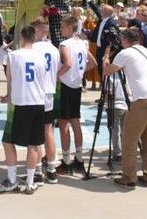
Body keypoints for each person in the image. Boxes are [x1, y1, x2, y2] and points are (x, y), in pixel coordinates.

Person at [102, 27, 147, 189]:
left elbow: (107, 71)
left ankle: (129, 177)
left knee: (128, 140)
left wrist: (106, 56)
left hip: (143, 101)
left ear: (125, 41)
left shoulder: (125, 53)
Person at [0, 25, 47, 194]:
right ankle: (30, 182)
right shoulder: (41, 56)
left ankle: (12, 179)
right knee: (33, 144)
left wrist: (10, 94)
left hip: (21, 103)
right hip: (38, 102)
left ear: (22, 37)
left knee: (8, 141)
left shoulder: (14, 55)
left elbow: (10, 78)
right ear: (34, 37)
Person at [56, 15, 96, 175]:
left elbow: (68, 63)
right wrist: (79, 72)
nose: (60, 29)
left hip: (66, 85)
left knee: (64, 123)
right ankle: (79, 160)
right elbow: (93, 63)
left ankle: (66, 161)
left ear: (68, 27)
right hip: (77, 85)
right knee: (75, 121)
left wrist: (56, 76)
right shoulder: (82, 43)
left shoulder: (65, 44)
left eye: (62, 26)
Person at [29, 16, 60, 184]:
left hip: (36, 93)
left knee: (36, 132)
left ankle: (38, 170)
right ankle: (51, 169)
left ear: (38, 30)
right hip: (49, 92)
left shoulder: (34, 47)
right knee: (48, 131)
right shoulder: (54, 49)